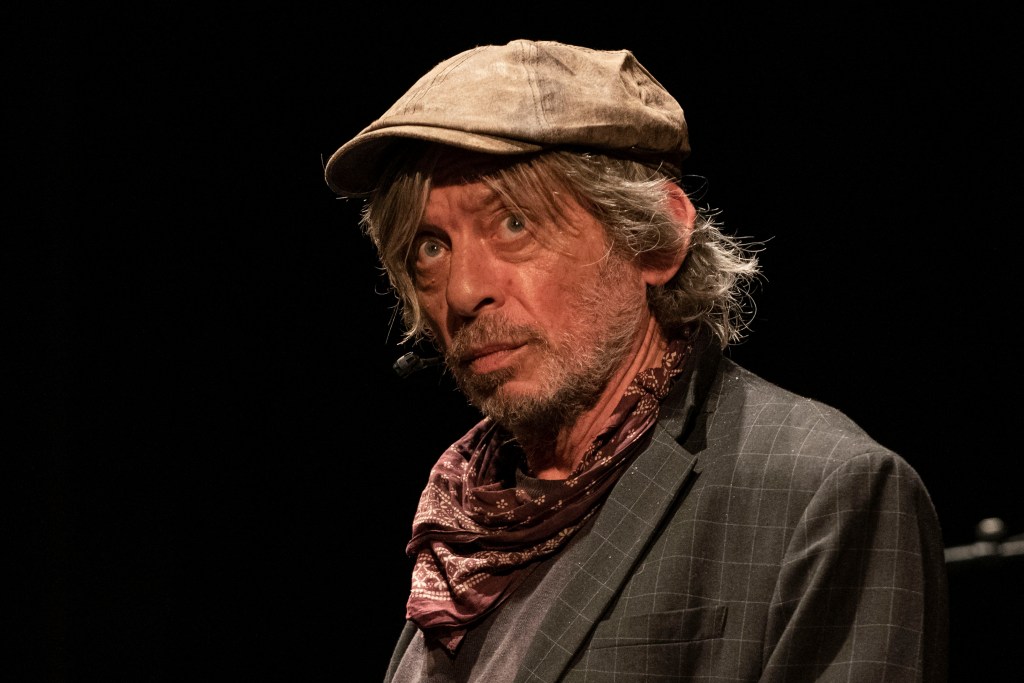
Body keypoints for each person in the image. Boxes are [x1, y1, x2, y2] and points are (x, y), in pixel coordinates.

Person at [323, 39, 949, 682]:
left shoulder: (822, 493)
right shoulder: (460, 523)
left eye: (514, 224)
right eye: (430, 247)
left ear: (656, 239)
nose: (462, 291)